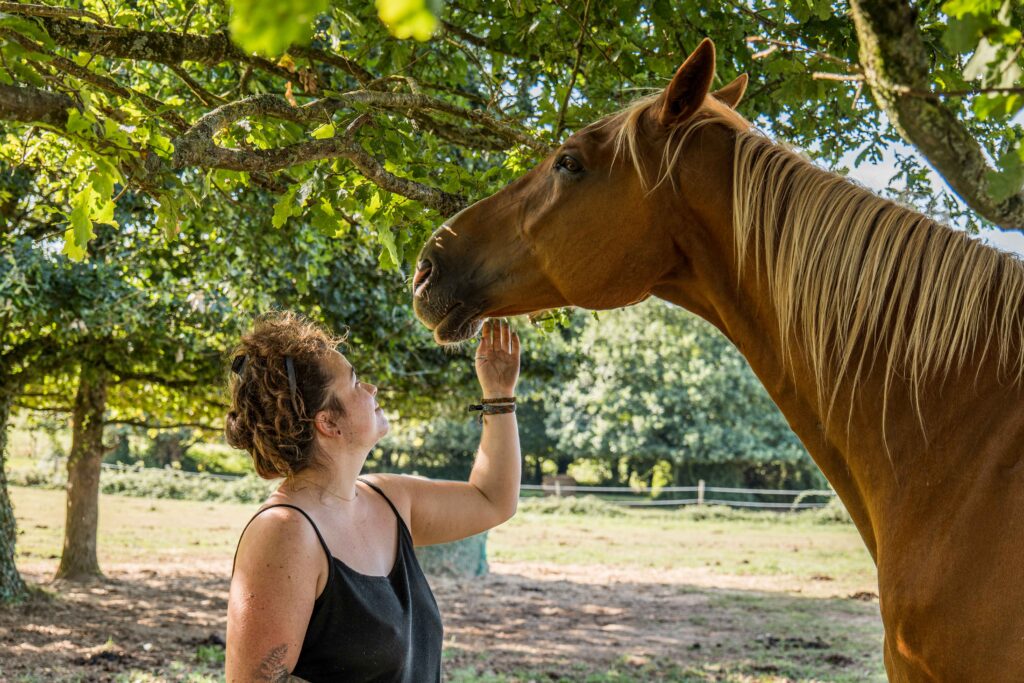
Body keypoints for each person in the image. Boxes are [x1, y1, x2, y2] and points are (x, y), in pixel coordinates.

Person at [223, 312, 521, 682]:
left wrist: (498, 394)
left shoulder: (390, 499)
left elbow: (493, 500)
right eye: (355, 382)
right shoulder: (284, 534)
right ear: (328, 423)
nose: (371, 390)